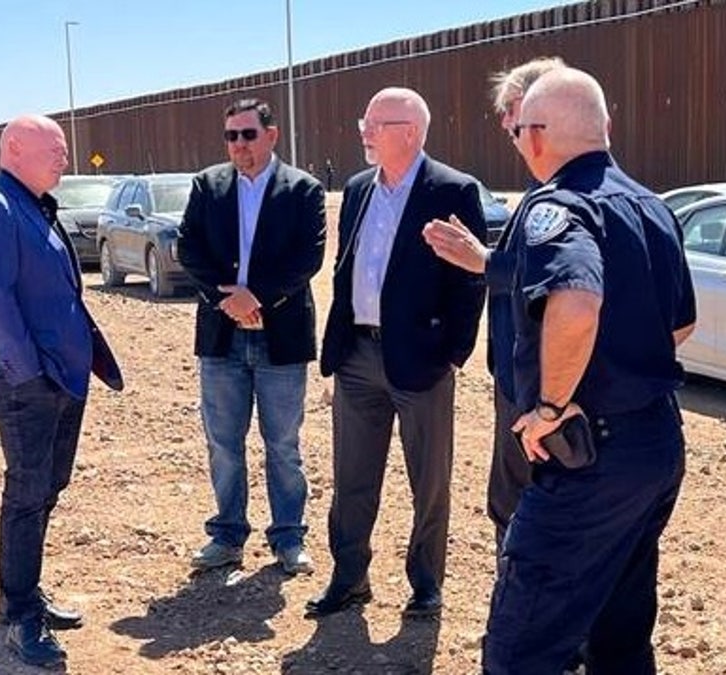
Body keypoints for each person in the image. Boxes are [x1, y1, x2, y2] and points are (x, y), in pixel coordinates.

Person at [480, 67, 696, 674]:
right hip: (653, 443)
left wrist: (550, 405)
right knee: (620, 633)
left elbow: (576, 300)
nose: (519, 143)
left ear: (539, 134)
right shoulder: (651, 207)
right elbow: (679, 325)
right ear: (606, 128)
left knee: (521, 647)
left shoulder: (557, 206)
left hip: (590, 452)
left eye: (519, 131)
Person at [306, 87, 487, 620]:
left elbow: (470, 282)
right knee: (352, 474)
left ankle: (426, 583)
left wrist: (452, 352)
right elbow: (348, 269)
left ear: (410, 131)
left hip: (421, 361)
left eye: (375, 123)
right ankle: (349, 575)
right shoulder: (360, 189)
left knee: (429, 481)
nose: (364, 130)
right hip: (358, 354)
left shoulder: (452, 190)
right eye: (365, 120)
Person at [0, 114, 124, 668]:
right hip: (27, 384)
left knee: (49, 487)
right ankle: (20, 617)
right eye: (55, 149)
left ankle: (22, 594)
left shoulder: (33, 203)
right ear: (14, 148)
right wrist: (29, 373)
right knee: (27, 495)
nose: (65, 159)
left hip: (60, 379)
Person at [177, 98, 326, 576]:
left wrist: (254, 297)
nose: (239, 145)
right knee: (223, 441)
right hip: (222, 337)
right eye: (231, 136)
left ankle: (288, 537)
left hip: (280, 337)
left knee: (283, 444)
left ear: (271, 135)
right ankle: (226, 535)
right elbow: (189, 248)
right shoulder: (208, 186)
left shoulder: (303, 190)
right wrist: (227, 301)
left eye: (248, 134)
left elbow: (308, 258)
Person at [425, 56, 564, 560]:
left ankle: (526, 617)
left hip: (544, 396)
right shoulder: (542, 197)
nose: (507, 127)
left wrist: (486, 262)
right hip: (521, 386)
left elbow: (567, 291)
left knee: (527, 512)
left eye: (513, 116)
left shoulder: (566, 203)